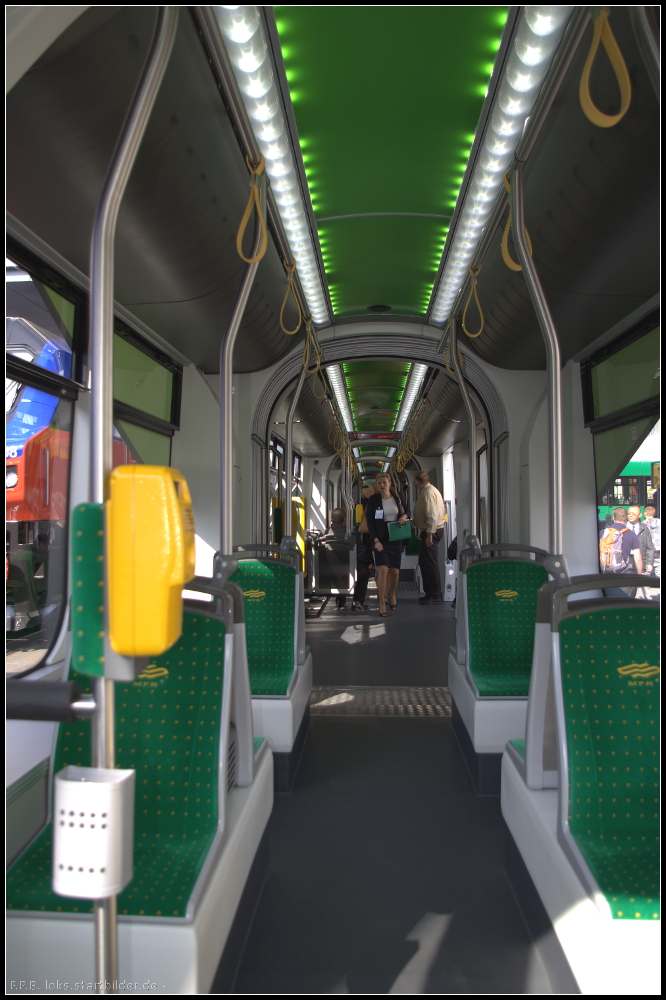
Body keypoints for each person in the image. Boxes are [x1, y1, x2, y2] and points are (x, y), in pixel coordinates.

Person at [365, 474, 410, 617]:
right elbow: (370, 522)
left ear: (390, 483)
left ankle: (392, 594)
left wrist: (404, 516)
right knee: (383, 569)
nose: (382, 485)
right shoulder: (373, 500)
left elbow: (408, 511)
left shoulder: (397, 497)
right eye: (379, 483)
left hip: (395, 537)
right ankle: (382, 603)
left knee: (395, 572)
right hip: (381, 538)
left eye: (384, 482)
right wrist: (375, 540)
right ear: (377, 486)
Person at [412, 471, 446, 605]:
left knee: (430, 564)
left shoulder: (428, 493)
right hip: (428, 530)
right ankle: (430, 593)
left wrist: (430, 534)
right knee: (425, 562)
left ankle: (435, 595)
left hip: (431, 531)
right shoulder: (430, 491)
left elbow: (432, 515)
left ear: (419, 482)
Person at [599, 506, 643, 597]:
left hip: (606, 574)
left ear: (614, 518)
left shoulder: (603, 532)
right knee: (625, 605)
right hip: (625, 576)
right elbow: (638, 558)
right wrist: (639, 576)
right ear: (626, 517)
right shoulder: (631, 534)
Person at [322, 508, 354, 611]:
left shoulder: (324, 534)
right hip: (348, 569)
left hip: (328, 571)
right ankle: (356, 601)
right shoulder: (349, 534)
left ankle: (340, 601)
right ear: (344, 520)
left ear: (331, 520)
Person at [627, 505, 655, 578]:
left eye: (633, 514)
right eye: (629, 513)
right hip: (626, 564)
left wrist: (650, 563)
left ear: (640, 515)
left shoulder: (644, 529)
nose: (631, 515)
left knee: (644, 587)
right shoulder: (623, 528)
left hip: (641, 562)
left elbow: (650, 548)